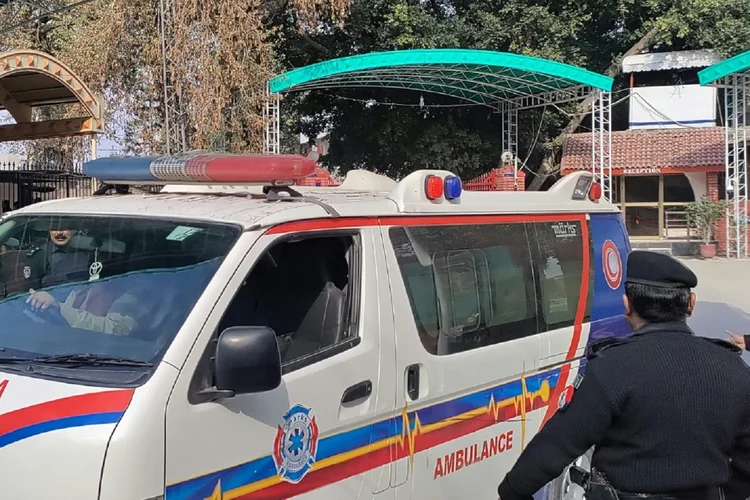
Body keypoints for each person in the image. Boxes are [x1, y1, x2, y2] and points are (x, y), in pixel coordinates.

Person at [497, 250, 750, 500]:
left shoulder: (611, 368)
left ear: (627, 305)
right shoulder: (733, 368)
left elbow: (556, 446)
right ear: (691, 304)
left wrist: (510, 492)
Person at [26, 280, 141, 335]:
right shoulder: (81, 289)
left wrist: (59, 307)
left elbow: (116, 329)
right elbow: (62, 321)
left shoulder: (132, 296)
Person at [24, 226, 92, 290]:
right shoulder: (40, 256)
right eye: (54, 229)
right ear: (49, 230)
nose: (59, 233)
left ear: (73, 230)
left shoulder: (86, 253)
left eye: (64, 228)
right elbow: (31, 291)